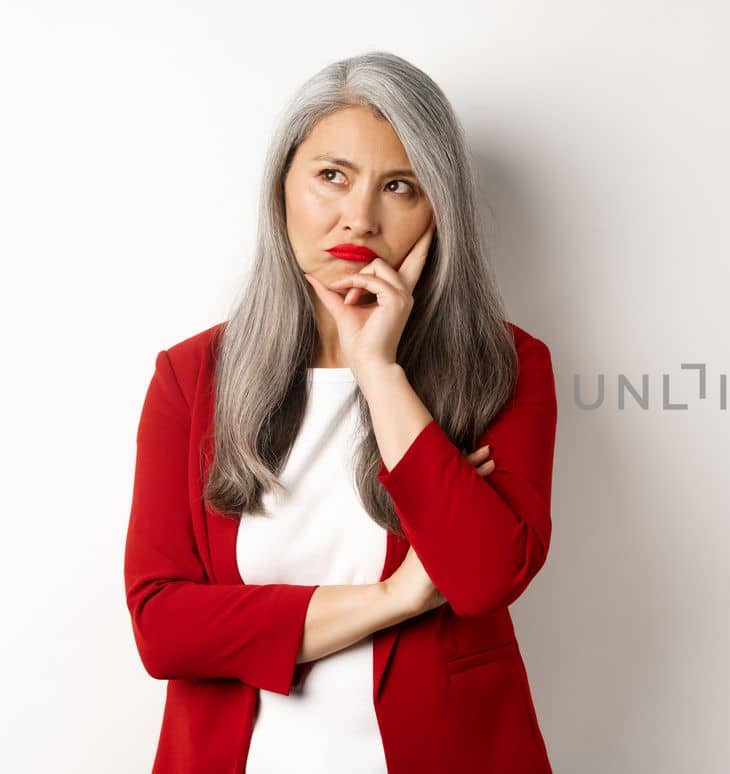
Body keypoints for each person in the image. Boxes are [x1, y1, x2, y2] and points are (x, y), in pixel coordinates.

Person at [122, 51, 557, 773]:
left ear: (438, 209)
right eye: (332, 176)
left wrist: (379, 372)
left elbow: (483, 578)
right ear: (282, 186)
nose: (361, 215)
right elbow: (163, 630)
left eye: (400, 186)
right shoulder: (192, 377)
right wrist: (400, 595)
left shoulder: (504, 367)